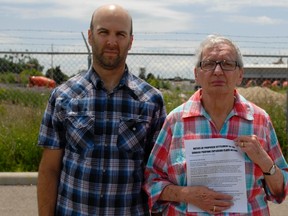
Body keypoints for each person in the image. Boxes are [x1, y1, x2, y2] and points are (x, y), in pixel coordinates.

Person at [37, 4, 166, 216]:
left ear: (131, 41)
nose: (112, 42)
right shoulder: (62, 96)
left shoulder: (152, 101)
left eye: (120, 34)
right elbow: (49, 169)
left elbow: (158, 174)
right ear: (90, 36)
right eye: (103, 32)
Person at [143, 34, 288, 215]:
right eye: (209, 64)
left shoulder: (260, 120)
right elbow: (152, 180)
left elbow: (280, 191)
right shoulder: (176, 121)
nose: (218, 71)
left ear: (240, 74)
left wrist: (264, 160)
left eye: (227, 64)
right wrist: (186, 194)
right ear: (196, 74)